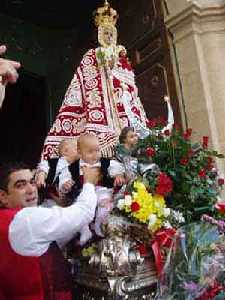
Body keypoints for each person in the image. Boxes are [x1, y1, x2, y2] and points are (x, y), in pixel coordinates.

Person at [41, 0, 149, 160]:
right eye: (105, 33)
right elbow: (86, 85)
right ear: (99, 34)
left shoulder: (123, 61)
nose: (109, 36)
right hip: (101, 118)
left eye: (111, 33)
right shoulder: (92, 55)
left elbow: (133, 95)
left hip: (126, 121)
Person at [0, 162, 99, 300]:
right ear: (3, 196)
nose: (31, 190)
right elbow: (84, 212)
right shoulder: (26, 219)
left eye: (32, 182)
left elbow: (48, 239)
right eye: (21, 185)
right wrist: (89, 183)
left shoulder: (7, 220)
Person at [59, 133, 125, 244]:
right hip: (83, 193)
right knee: (78, 210)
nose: (95, 155)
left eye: (97, 150)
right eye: (90, 152)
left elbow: (117, 167)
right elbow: (64, 176)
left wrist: (118, 175)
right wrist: (65, 184)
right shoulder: (73, 167)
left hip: (102, 191)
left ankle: (101, 225)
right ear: (79, 152)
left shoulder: (104, 162)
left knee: (104, 205)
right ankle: (84, 231)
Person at [35, 138, 79, 207]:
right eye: (77, 148)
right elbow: (44, 165)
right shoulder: (55, 162)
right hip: (48, 195)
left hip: (65, 198)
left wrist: (66, 186)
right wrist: (42, 175)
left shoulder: (75, 167)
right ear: (66, 151)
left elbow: (66, 179)